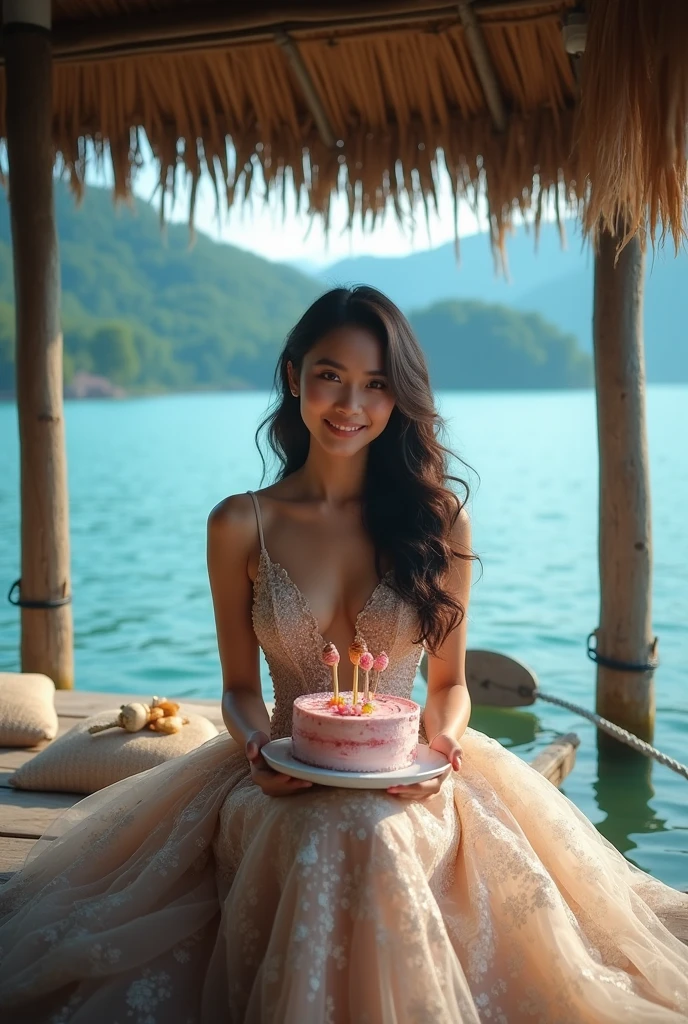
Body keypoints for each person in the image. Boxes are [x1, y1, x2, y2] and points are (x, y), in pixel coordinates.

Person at [0, 286, 687, 1024]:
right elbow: (238, 688)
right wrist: (260, 747)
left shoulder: (438, 521)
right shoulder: (240, 522)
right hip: (279, 776)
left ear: (400, 399)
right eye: (331, 375)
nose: (350, 403)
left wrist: (443, 751)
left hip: (413, 777)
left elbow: (449, 684)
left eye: (377, 384)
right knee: (330, 837)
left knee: (373, 834)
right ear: (295, 374)